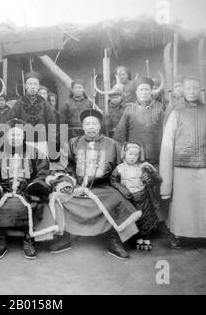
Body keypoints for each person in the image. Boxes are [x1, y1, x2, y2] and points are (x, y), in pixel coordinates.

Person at [48, 109, 141, 260]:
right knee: (58, 197)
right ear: (82, 126)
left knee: (117, 199)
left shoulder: (113, 144)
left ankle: (114, 240)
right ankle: (64, 237)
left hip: (104, 187)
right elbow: (64, 167)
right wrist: (68, 183)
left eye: (94, 123)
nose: (91, 127)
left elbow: (121, 168)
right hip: (77, 186)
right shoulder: (73, 143)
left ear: (100, 126)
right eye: (87, 124)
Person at [0, 119, 58, 260]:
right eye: (11, 135)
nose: (15, 138)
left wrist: (34, 187)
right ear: (6, 136)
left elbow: (43, 173)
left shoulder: (35, 153)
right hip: (2, 190)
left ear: (24, 136)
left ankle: (29, 239)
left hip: (27, 190)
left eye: (18, 135)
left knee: (38, 201)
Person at [160, 76, 206, 251]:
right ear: (182, 90)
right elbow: (168, 143)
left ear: (200, 90)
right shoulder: (176, 112)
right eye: (188, 88)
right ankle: (178, 235)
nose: (191, 91)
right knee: (182, 204)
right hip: (182, 166)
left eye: (195, 88)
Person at [113, 77, 165, 231]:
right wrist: (125, 158)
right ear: (136, 92)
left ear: (152, 91)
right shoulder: (129, 110)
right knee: (138, 193)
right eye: (140, 89)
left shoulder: (160, 109)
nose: (143, 92)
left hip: (156, 159)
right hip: (134, 161)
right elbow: (120, 136)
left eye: (146, 89)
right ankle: (139, 226)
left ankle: (158, 224)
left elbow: (166, 134)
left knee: (155, 191)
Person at [110, 142, 161, 251]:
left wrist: (148, 179)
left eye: (135, 155)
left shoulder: (140, 168)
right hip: (130, 199)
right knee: (135, 218)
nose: (133, 157)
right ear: (124, 154)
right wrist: (124, 191)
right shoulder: (120, 169)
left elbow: (154, 181)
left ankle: (146, 237)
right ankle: (137, 238)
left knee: (145, 217)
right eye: (130, 154)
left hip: (143, 197)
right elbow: (113, 181)